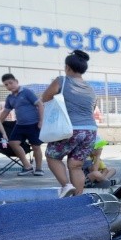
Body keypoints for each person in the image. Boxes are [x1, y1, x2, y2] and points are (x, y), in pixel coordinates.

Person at [41, 49, 98, 198]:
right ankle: (78, 200)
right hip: (90, 131)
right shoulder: (90, 88)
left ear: (67, 67)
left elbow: (45, 98)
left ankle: (66, 185)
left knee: (52, 156)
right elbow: (92, 108)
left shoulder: (62, 80)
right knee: (76, 165)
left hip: (70, 129)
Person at [0, 73, 44, 176]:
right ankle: (27, 166)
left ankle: (39, 169)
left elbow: (40, 105)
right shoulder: (9, 98)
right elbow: (5, 111)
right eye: (6, 85)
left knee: (36, 146)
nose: (9, 86)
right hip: (20, 125)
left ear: (16, 81)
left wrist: (41, 121)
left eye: (11, 83)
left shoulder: (27, 92)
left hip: (33, 124)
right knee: (13, 143)